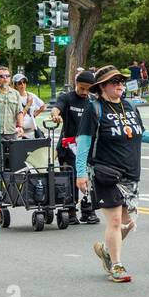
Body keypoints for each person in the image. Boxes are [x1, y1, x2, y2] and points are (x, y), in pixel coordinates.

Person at [74, 65, 149, 283]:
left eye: (121, 80)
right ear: (101, 87)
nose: (119, 84)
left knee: (128, 224)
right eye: (114, 81)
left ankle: (107, 252)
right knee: (115, 221)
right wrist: (80, 173)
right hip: (106, 173)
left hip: (131, 174)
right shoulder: (95, 109)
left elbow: (140, 134)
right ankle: (117, 265)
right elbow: (84, 143)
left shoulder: (129, 106)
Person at [51, 70, 99, 224]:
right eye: (82, 88)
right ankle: (70, 211)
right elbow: (57, 107)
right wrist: (55, 115)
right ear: (76, 84)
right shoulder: (67, 98)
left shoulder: (93, 102)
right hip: (68, 146)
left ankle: (88, 210)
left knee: (89, 178)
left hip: (87, 147)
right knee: (70, 179)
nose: (85, 92)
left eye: (88, 89)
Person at [0, 66, 24, 167]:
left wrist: (20, 127)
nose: (5, 78)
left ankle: (11, 182)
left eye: (7, 76)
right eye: (1, 76)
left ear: (10, 78)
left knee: (12, 161)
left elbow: (19, 112)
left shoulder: (15, 94)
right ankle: (1, 181)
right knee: (1, 161)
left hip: (11, 132)